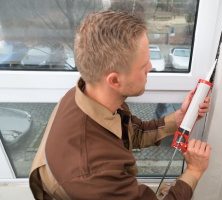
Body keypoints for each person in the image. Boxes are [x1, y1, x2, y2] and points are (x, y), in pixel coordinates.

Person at [29, 11, 211, 200]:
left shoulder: (88, 95)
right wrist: (194, 171)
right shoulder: (95, 175)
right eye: (143, 65)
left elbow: (134, 132)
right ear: (114, 80)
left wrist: (179, 118)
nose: (150, 67)